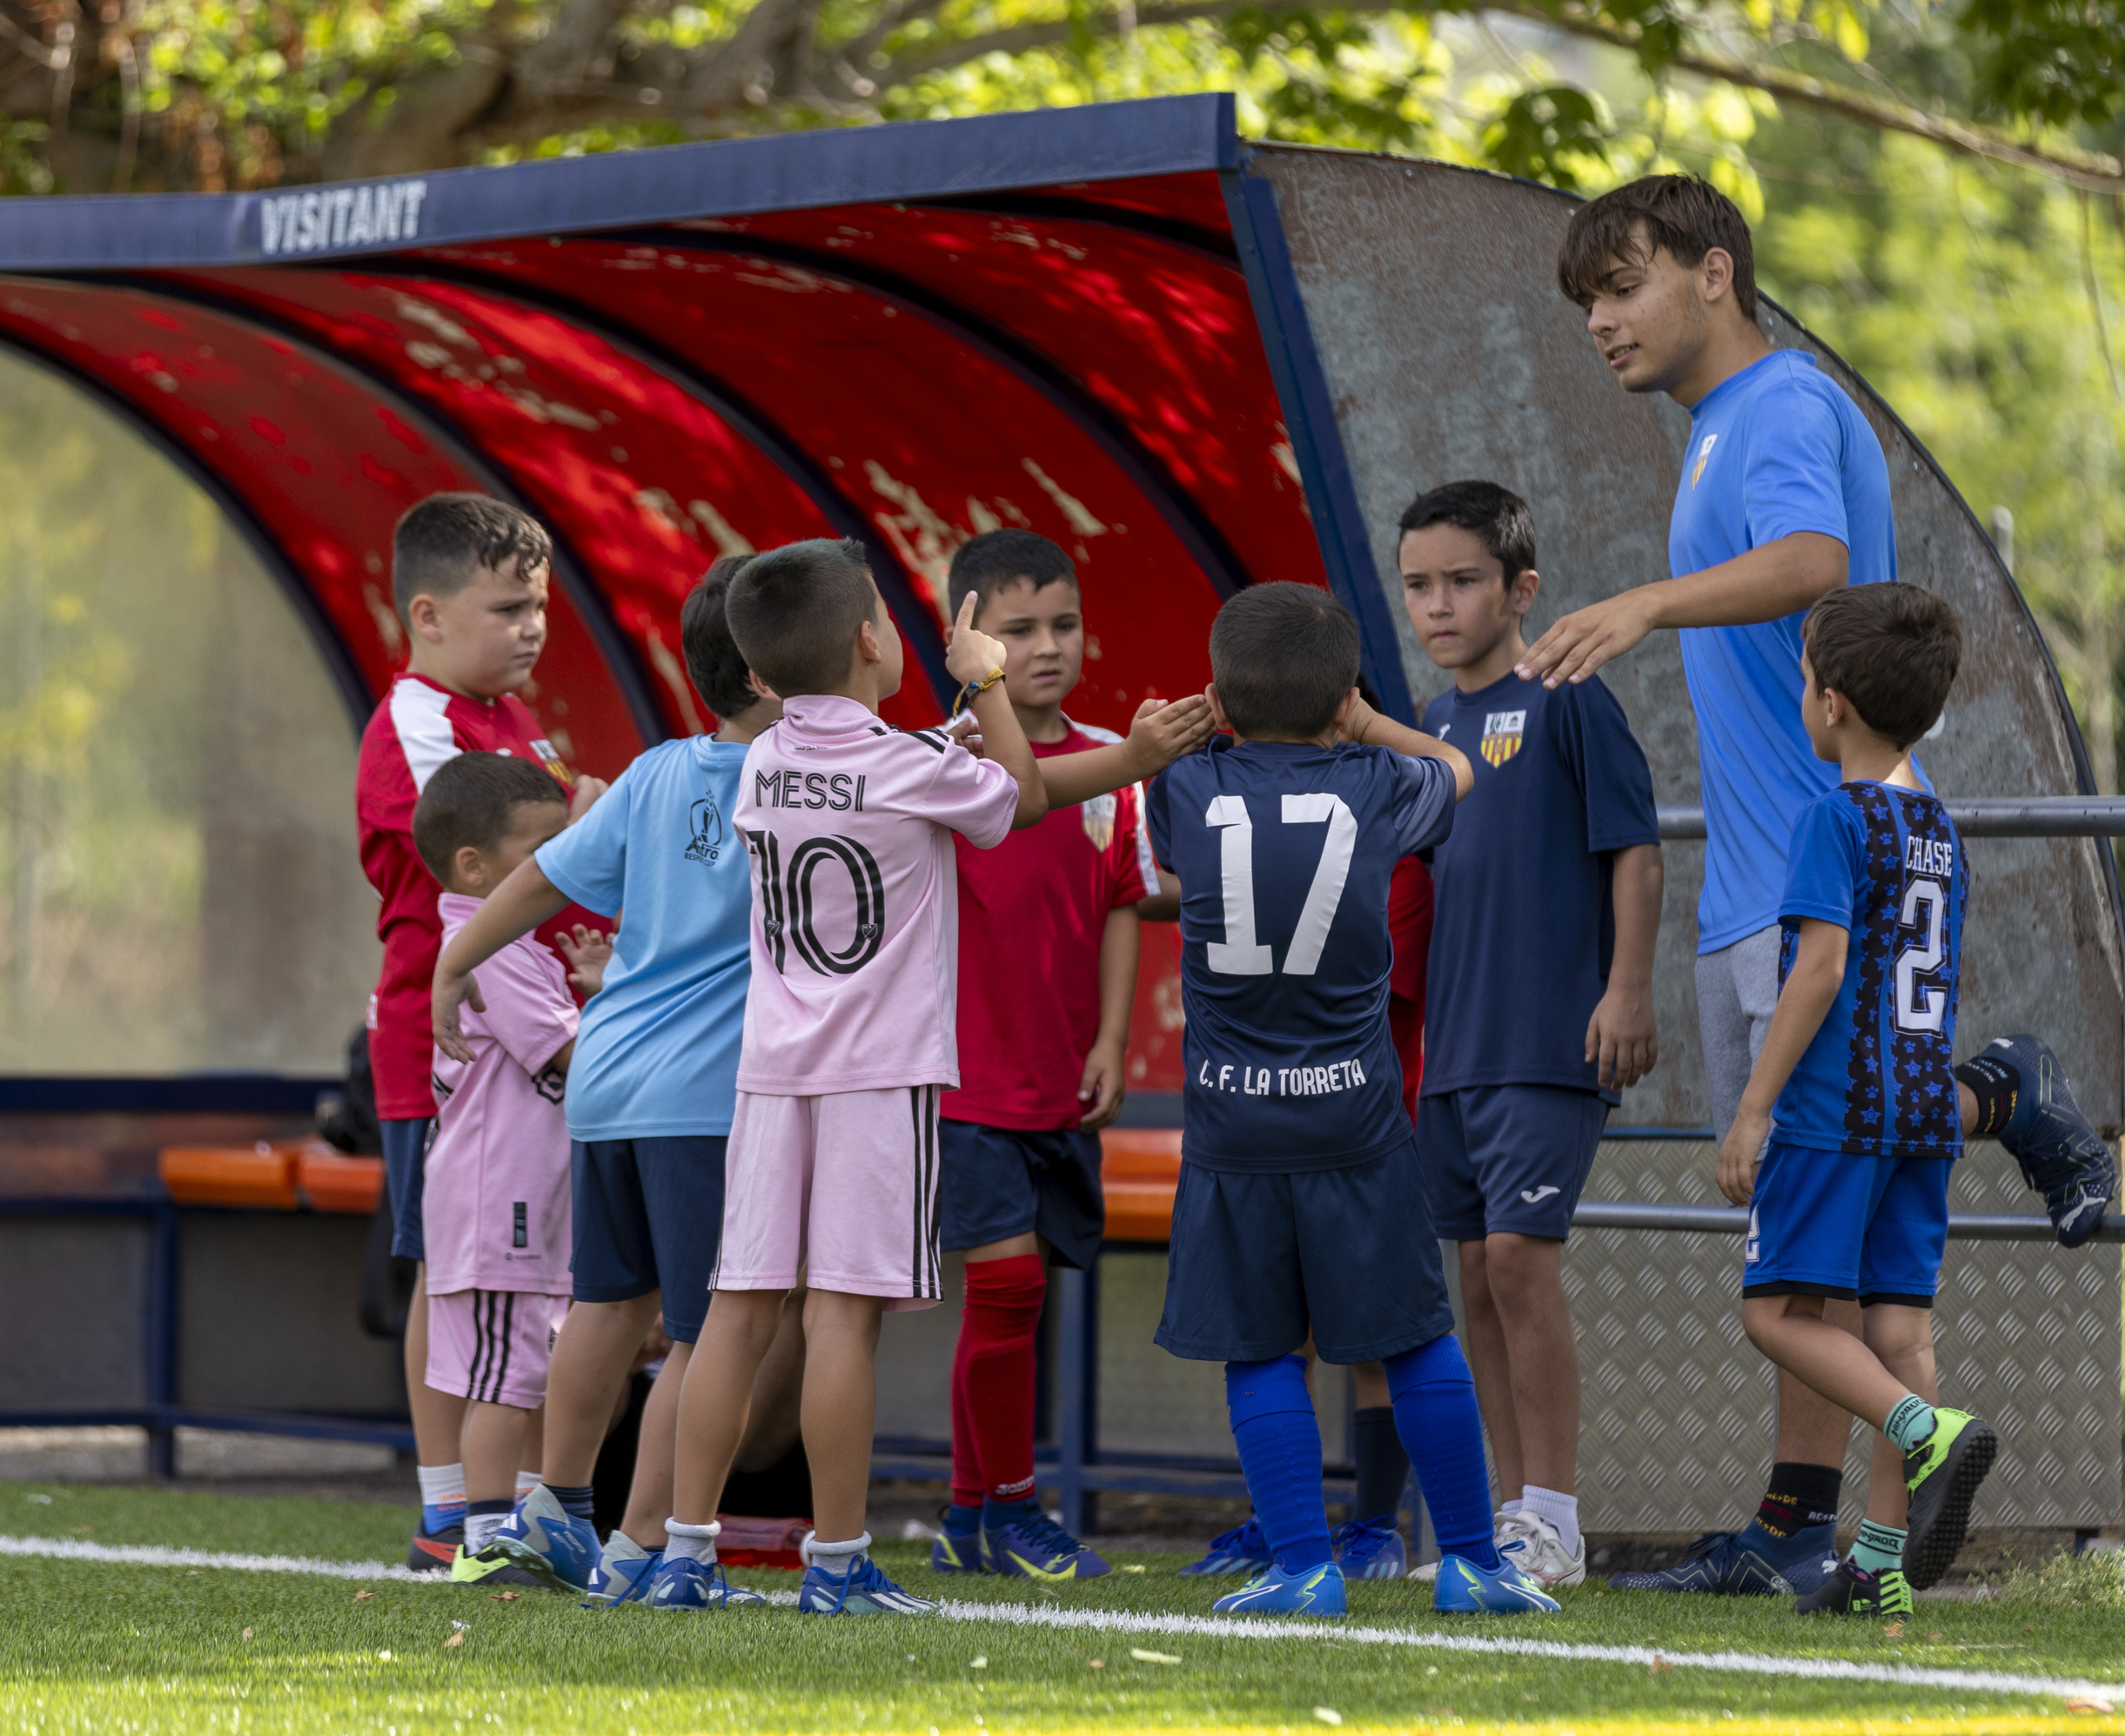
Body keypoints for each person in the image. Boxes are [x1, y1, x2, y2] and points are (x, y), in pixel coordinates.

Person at [1518, 176, 2112, 1596]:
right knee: (1818, 1245)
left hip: (1809, 892)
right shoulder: (1723, 424)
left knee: (1799, 1237)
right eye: (1586, 299)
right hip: (1778, 883)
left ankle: (1998, 1101)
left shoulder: (1778, 407)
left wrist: (1643, 602)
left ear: (1714, 271)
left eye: (1624, 282)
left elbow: (1814, 565)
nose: (1600, 319)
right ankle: (1835, 1537)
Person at [1146, 580, 1554, 1621]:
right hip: (1358, 1117)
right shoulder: (1377, 778)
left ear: (1222, 700)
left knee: (1260, 1345)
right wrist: (1365, 722)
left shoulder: (1184, 788)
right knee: (1417, 1335)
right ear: (1344, 696)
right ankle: (1471, 1560)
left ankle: (1301, 1566)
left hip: (1234, 1120)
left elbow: (1162, 841)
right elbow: (1457, 769)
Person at [661, 537, 1048, 1617]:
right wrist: (983, 679)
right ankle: (836, 1564)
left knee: (736, 1308)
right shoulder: (912, 763)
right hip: (879, 1079)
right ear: (875, 638)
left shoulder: (762, 760)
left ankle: (682, 1550)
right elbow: (1015, 796)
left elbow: (847, 765)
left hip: (770, 1075)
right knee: (841, 1316)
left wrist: (935, 734)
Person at [430, 555, 801, 1606]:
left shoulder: (651, 773)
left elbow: (539, 879)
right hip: (701, 1096)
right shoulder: (804, 783)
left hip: (609, 1079)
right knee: (708, 1326)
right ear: (780, 677)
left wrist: (452, 961)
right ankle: (645, 1540)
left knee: (604, 1297)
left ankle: (559, 1501)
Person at [1398, 480, 1663, 1592]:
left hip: (1548, 1039)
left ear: (1522, 589)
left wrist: (1628, 988)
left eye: (1463, 580)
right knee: (1475, 1273)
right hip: (1453, 1051)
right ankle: (1504, 1523)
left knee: (1519, 1260)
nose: (1440, 604)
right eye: (1419, 584)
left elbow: (1636, 847)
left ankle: (1554, 1513)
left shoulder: (1566, 694)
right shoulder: (1432, 724)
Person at [1719, 582, 1996, 1619]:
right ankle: (1880, 1563)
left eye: (1801, 678)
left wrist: (1756, 1107)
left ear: (1829, 702)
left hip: (1839, 1112)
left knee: (1773, 1311)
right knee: (1899, 1330)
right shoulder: (1936, 824)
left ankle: (1932, 1434)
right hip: (1925, 1107)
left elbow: (1821, 969)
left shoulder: (1833, 818)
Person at [355, 492, 603, 1569]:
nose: (532, 627)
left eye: (539, 606)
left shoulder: (513, 723)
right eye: (508, 608)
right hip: (445, 1043)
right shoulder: (417, 723)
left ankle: (518, 1498)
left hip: (534, 1039)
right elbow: (490, 873)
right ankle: (449, 1501)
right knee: (446, 1268)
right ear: (429, 614)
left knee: (515, 1276)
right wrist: (582, 830)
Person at [928, 529, 1160, 1585]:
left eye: (1062, 622)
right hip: (964, 1077)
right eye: (1018, 629)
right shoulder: (940, 760)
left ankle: (968, 1514)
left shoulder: (1116, 760)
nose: (1048, 645)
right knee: (1009, 1284)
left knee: (1012, 1299)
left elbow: (1124, 903)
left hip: (1060, 1074)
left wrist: (1113, 1038)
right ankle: (1019, 1511)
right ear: (966, 639)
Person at [407, 752, 582, 1589]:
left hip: (523, 1194)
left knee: (524, 1370)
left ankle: (517, 1529)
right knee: (503, 1378)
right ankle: (481, 1541)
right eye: (539, 849)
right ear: (475, 867)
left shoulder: (515, 943)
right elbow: (568, 1057)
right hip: (495, 1196)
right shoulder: (493, 944)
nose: (555, 866)